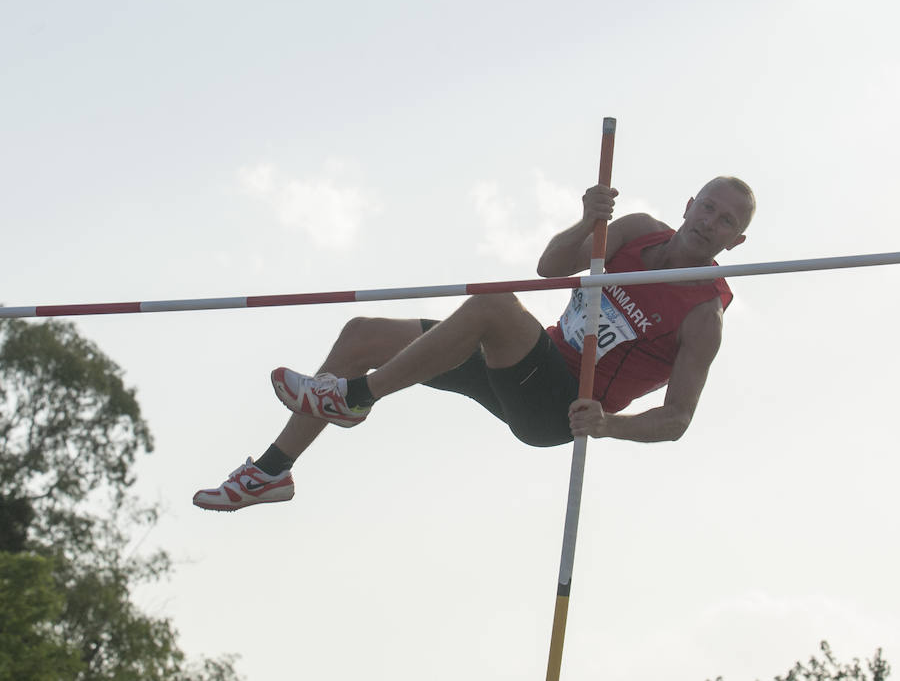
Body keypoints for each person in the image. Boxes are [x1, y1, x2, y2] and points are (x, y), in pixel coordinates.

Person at [193, 176, 755, 511]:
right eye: (708, 206)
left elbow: (678, 418)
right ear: (689, 204)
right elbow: (550, 266)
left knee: (493, 306)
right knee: (360, 335)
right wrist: (587, 221)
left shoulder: (704, 316)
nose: (711, 221)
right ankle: (271, 473)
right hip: (519, 365)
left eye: (726, 220)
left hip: (557, 404)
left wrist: (609, 426)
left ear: (736, 241)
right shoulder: (635, 230)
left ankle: (357, 397)